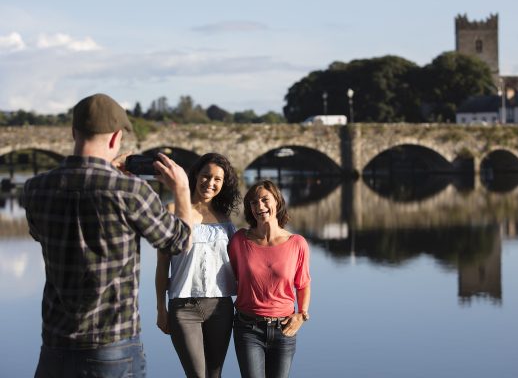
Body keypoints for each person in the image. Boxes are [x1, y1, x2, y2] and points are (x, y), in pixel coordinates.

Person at [21, 93, 192, 378]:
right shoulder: (131, 191)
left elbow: (39, 234)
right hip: (112, 346)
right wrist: (182, 190)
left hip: (55, 346)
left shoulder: (36, 188)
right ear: (115, 138)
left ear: (74, 132)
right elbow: (179, 241)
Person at [155, 153, 241, 378]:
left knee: (215, 375)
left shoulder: (225, 219)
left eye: (217, 179)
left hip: (220, 308)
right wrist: (160, 309)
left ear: (223, 184)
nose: (210, 183)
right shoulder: (172, 210)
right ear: (195, 176)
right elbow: (162, 265)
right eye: (206, 176)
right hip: (183, 309)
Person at [229, 180, 311, 378]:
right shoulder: (239, 240)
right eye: (254, 203)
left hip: (284, 329)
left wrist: (302, 314)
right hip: (248, 328)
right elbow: (230, 276)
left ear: (277, 202)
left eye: (265, 200)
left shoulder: (297, 243)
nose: (260, 206)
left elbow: (303, 283)